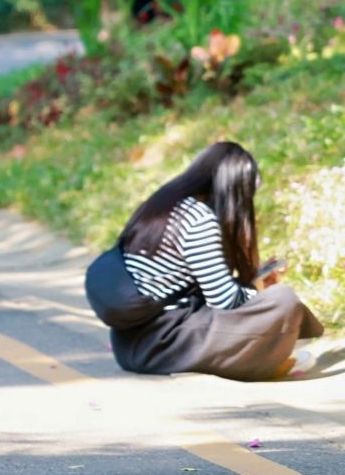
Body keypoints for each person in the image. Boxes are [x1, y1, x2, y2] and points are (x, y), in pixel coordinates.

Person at [85, 142, 330, 381]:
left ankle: (274, 348)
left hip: (132, 345)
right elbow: (223, 300)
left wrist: (253, 284)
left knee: (273, 303)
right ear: (232, 189)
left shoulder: (161, 206)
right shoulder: (199, 220)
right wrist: (261, 293)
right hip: (162, 344)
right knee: (283, 299)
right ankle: (273, 356)